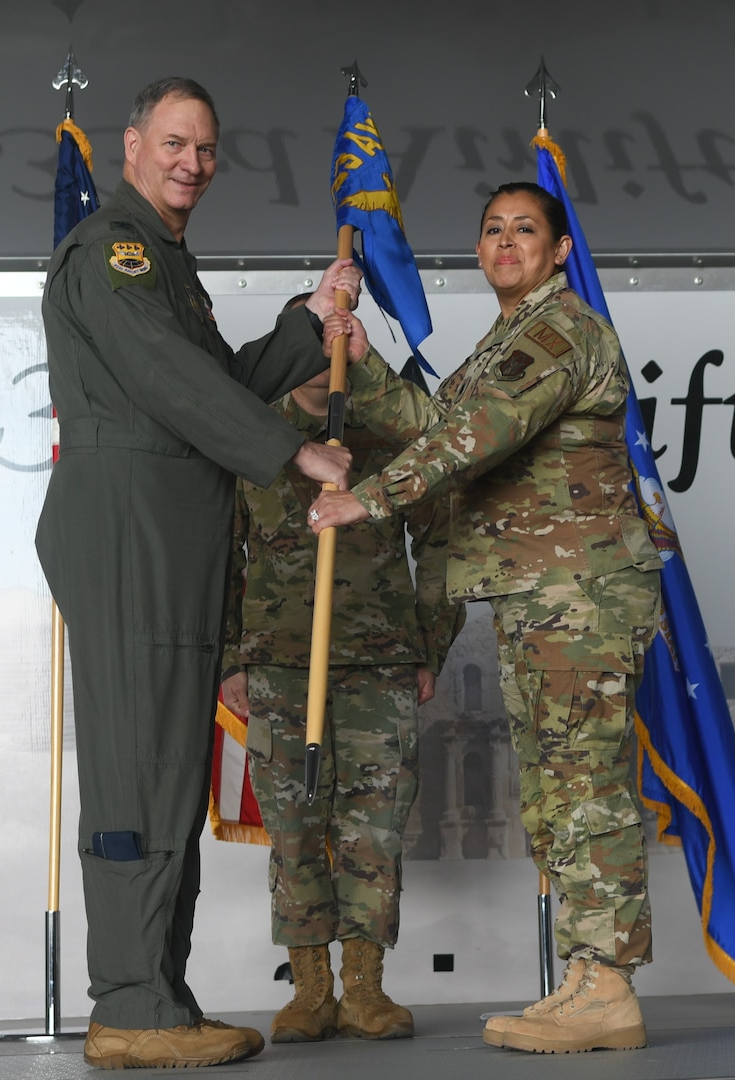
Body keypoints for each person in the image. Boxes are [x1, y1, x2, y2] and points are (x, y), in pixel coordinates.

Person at [34, 76, 361, 1070]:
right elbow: (168, 382)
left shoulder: (165, 263)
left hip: (171, 533)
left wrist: (308, 321)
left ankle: (157, 997)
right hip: (130, 528)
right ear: (128, 146)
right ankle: (129, 1003)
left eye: (206, 148)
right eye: (174, 142)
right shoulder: (115, 253)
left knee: (169, 772)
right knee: (138, 770)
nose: (192, 163)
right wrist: (292, 452)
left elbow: (209, 378)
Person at [308, 181, 665, 1055]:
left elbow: (480, 434)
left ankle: (610, 984)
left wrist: (372, 499)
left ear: (558, 251)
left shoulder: (561, 331)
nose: (507, 243)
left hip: (580, 595)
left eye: (526, 231)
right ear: (478, 251)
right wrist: (361, 351)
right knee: (553, 790)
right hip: (538, 596)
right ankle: (586, 975)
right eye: (493, 231)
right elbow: (440, 419)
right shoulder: (507, 338)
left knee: (586, 787)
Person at [220, 296, 465, 1044]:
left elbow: (448, 538)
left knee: (373, 830)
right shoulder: (253, 435)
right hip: (281, 666)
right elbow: (217, 558)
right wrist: (231, 657)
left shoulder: (392, 432)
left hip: (380, 664)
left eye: (335, 334)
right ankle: (310, 988)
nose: (323, 348)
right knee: (293, 826)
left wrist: (428, 642)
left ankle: (364, 986)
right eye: (312, 334)